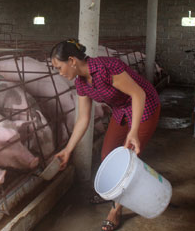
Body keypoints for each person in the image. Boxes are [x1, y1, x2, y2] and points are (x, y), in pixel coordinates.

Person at [51, 39, 161, 231]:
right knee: (107, 155)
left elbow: (138, 94)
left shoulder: (105, 68)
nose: (60, 73)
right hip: (121, 110)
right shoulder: (81, 83)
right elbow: (83, 119)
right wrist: (68, 150)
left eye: (59, 67)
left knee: (129, 160)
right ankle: (113, 193)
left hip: (144, 107)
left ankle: (116, 210)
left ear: (72, 61)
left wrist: (133, 131)